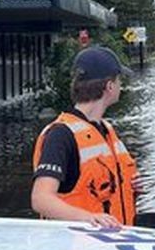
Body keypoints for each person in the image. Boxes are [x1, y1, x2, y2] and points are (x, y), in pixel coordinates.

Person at [31, 46, 139, 227]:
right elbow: (41, 199)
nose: (121, 86)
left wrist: (130, 186)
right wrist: (88, 218)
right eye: (119, 80)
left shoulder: (106, 129)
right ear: (110, 86)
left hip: (114, 246)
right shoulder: (61, 135)